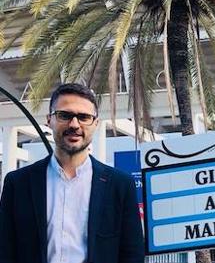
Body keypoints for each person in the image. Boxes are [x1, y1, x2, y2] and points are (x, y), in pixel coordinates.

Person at [0, 83, 145, 263]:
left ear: (96, 123)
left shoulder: (120, 185)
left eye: (84, 117)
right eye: (64, 115)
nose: (74, 124)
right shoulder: (18, 184)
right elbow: (5, 250)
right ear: (49, 120)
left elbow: (132, 254)